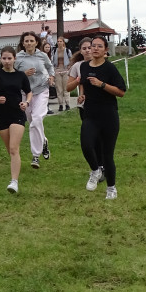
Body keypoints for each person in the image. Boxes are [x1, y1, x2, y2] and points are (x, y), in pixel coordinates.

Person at [80, 36, 127, 200]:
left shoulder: (110, 69)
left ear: (105, 50)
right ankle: (95, 170)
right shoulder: (84, 67)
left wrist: (102, 84)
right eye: (93, 46)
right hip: (90, 115)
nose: (95, 48)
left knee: (107, 155)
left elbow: (121, 92)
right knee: (86, 145)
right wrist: (81, 95)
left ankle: (111, 188)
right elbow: (82, 85)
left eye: (99, 46)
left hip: (109, 116)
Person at [0, 46, 31, 194]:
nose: (7, 61)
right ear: (0, 59)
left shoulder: (21, 75)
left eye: (10, 58)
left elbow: (29, 92)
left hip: (17, 114)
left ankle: (14, 182)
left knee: (14, 148)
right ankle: (15, 167)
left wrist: (26, 103)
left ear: (14, 59)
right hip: (1, 115)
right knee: (10, 149)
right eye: (4, 58)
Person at [65, 38, 104, 190]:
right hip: (84, 107)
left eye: (90, 47)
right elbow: (68, 87)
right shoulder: (77, 66)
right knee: (90, 139)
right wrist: (78, 84)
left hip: (102, 106)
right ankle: (97, 168)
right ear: (80, 51)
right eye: (85, 48)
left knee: (102, 138)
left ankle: (102, 167)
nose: (88, 50)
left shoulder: (102, 64)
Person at [16, 31, 55, 169]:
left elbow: (50, 68)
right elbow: (12, 75)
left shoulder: (42, 55)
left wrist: (51, 77)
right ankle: (43, 141)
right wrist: (23, 74)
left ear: (36, 42)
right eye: (26, 41)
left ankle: (35, 156)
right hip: (25, 93)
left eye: (31, 41)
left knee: (37, 119)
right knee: (33, 122)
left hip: (41, 90)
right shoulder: (18, 57)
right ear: (23, 43)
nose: (29, 43)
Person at [52, 38, 72, 112]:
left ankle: (67, 104)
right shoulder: (54, 51)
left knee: (66, 88)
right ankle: (60, 104)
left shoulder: (67, 50)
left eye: (60, 41)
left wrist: (69, 66)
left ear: (63, 42)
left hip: (65, 70)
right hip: (57, 70)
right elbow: (52, 60)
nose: (59, 43)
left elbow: (71, 59)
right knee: (59, 89)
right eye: (58, 41)